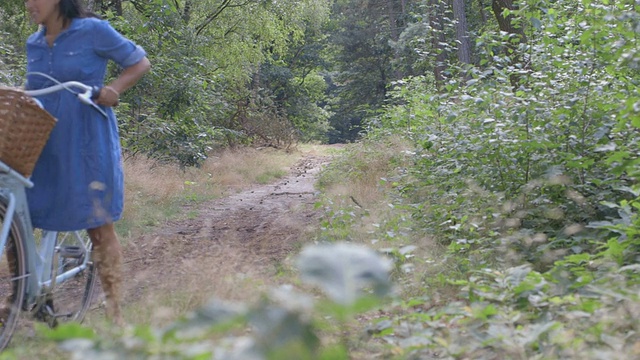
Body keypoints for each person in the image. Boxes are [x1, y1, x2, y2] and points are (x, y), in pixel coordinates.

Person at [23, 0, 151, 326]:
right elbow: (33, 90)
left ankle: (116, 313)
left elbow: (139, 62)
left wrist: (113, 89)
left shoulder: (93, 31)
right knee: (26, 216)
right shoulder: (34, 43)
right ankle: (35, 296)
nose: (29, 3)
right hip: (45, 145)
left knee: (99, 226)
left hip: (86, 144)